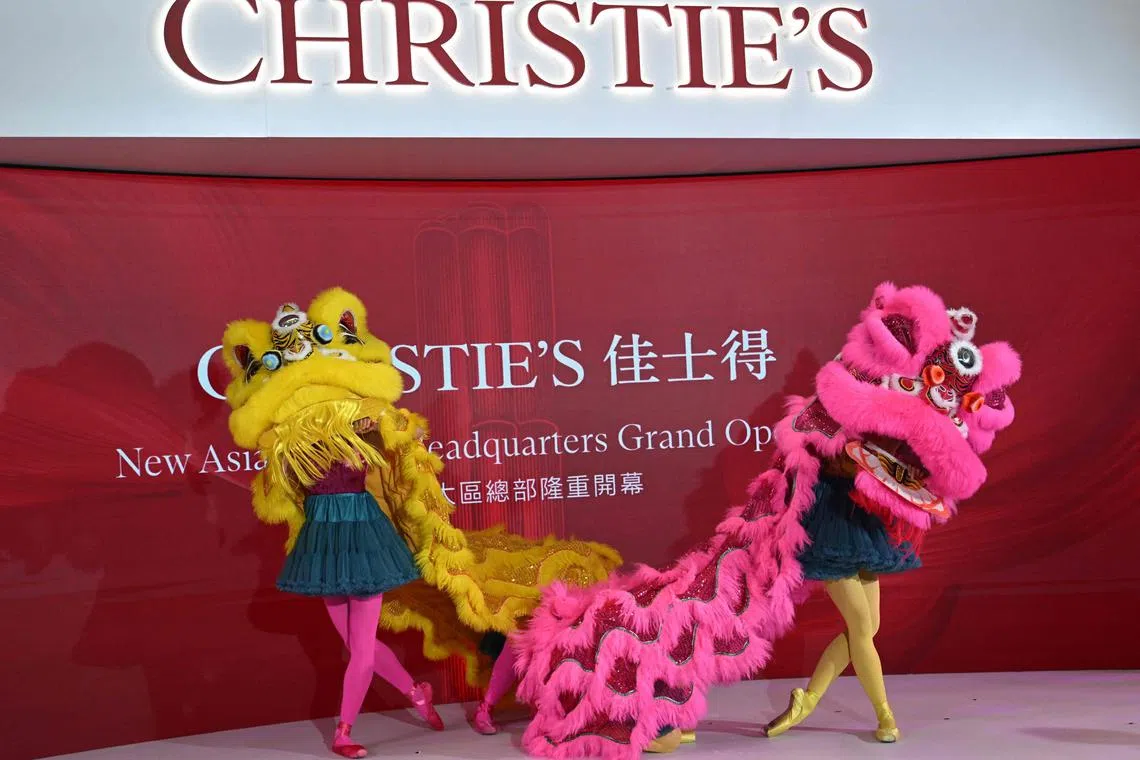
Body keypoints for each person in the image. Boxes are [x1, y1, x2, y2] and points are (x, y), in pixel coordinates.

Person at [221, 289, 622, 757]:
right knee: (358, 647)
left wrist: (397, 436)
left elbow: (401, 440)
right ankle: (416, 694)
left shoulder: (363, 421)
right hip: (323, 542)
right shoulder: (286, 441)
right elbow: (274, 487)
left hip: (364, 535)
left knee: (363, 650)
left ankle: (344, 731)